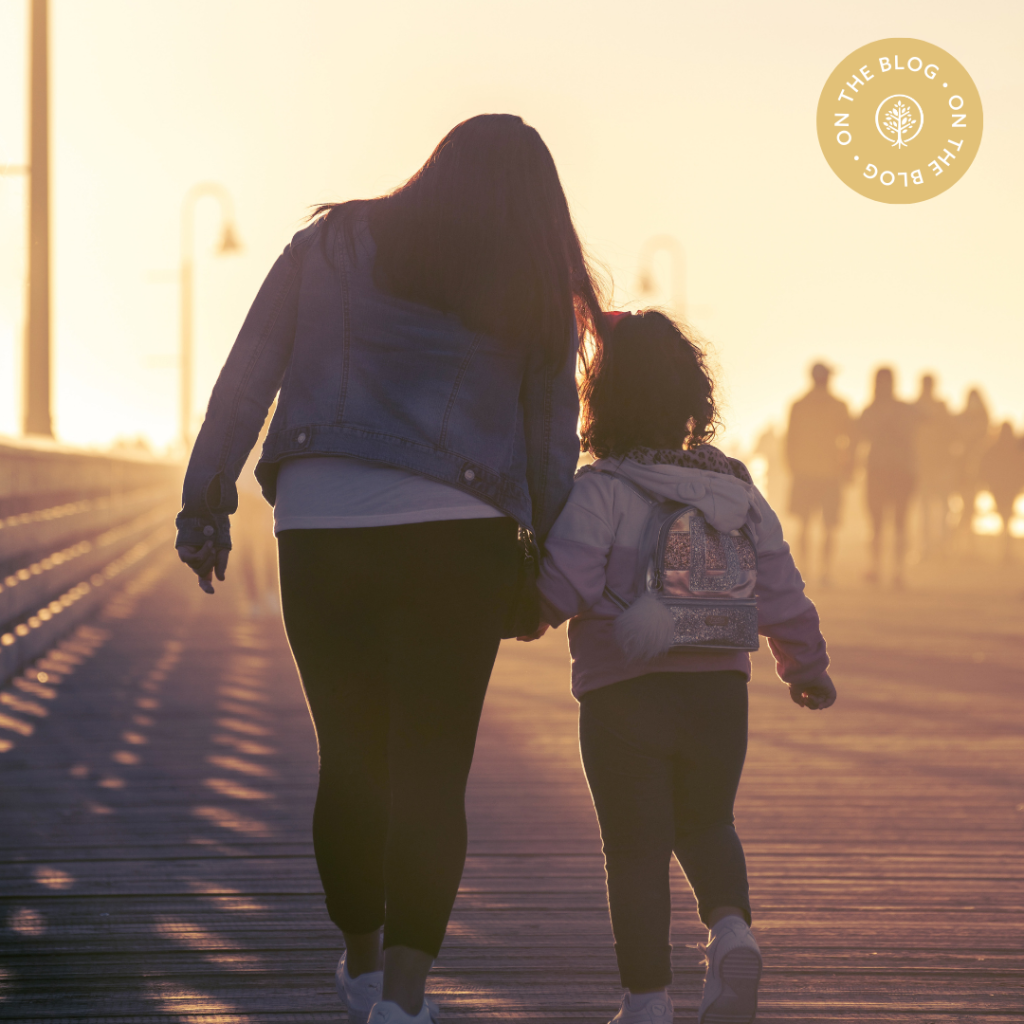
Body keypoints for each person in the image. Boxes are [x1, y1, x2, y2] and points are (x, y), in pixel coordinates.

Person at [175, 114, 605, 1024]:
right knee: (433, 770)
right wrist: (550, 568)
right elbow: (549, 438)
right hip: (459, 536)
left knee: (351, 757)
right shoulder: (528, 277)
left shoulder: (328, 243)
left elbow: (248, 372)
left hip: (322, 524)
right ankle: (403, 1002)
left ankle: (361, 968)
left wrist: (205, 497)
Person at [523, 310, 835, 1024]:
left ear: (603, 399)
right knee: (707, 821)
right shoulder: (736, 489)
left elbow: (563, 587)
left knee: (634, 849)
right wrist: (805, 666)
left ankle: (647, 1003)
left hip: (622, 691)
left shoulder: (601, 489)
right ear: (692, 398)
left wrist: (523, 612)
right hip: (721, 686)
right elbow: (780, 584)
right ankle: (731, 931)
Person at [785, 362, 852, 585]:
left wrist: (792, 466)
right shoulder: (839, 405)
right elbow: (849, 440)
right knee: (829, 526)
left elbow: (789, 440)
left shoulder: (799, 405)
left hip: (805, 472)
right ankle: (825, 572)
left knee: (805, 523)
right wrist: (848, 468)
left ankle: (804, 569)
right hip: (830, 473)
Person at [856, 368, 917, 587]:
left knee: (898, 522)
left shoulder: (899, 409)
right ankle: (877, 567)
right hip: (880, 471)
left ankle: (898, 571)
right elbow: (860, 434)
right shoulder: (875, 410)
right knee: (878, 523)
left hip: (897, 471)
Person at [912, 374, 955, 559]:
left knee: (936, 507)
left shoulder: (938, 407)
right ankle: (929, 547)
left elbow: (951, 434)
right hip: (925, 464)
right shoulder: (918, 407)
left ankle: (939, 547)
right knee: (927, 507)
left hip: (935, 464)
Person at [979, 422, 1024, 562]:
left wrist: (987, 483)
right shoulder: (1015, 449)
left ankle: (1004, 550)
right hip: (1008, 488)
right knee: (1006, 517)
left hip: (1000, 488)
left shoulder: (994, 447)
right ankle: (1006, 550)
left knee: (1004, 516)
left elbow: (984, 467)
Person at [952, 389, 990, 540]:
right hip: (961, 470)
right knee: (965, 505)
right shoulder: (961, 419)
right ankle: (960, 539)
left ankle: (965, 540)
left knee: (969, 506)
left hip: (976, 470)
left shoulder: (982, 421)